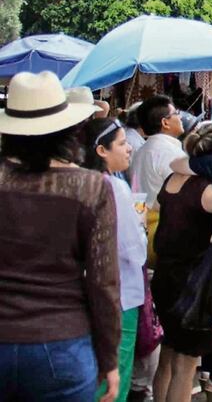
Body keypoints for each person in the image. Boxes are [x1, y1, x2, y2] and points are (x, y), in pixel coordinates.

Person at [0, 71, 120, 402]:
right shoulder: (92, 187)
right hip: (62, 344)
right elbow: (103, 281)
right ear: (68, 130)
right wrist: (109, 357)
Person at [150, 124, 212, 402]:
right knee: (185, 366)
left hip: (164, 276)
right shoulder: (205, 187)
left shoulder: (172, 178)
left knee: (166, 357)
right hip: (192, 284)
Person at [82, 117, 147, 402]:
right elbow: (134, 251)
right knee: (114, 379)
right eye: (122, 144)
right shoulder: (114, 188)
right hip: (120, 295)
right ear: (101, 150)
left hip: (87, 294)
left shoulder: (80, 182)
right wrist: (141, 228)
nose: (129, 149)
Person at [130, 95, 186, 265]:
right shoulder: (170, 154)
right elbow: (181, 198)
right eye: (176, 113)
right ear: (165, 122)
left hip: (143, 227)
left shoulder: (143, 150)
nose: (181, 117)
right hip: (161, 230)